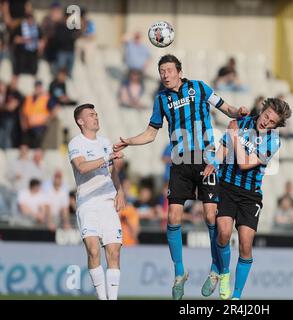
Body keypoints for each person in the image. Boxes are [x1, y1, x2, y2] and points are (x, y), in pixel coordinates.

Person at [113, 54, 249, 300]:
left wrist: (237, 111)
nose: (164, 74)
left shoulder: (198, 87)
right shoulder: (161, 99)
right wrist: (129, 141)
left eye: (168, 70)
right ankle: (179, 272)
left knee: (211, 215)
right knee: (172, 216)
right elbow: (151, 133)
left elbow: (225, 107)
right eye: (161, 71)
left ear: (179, 70)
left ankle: (216, 268)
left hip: (206, 159)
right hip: (179, 161)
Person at [203, 97, 292, 300]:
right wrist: (213, 164)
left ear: (276, 126)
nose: (266, 122)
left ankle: (235, 297)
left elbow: (244, 164)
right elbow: (222, 151)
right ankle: (223, 273)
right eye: (266, 116)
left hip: (250, 196)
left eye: (272, 122)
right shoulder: (241, 123)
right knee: (223, 234)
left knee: (245, 243)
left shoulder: (273, 140)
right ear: (262, 110)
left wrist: (234, 136)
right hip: (226, 187)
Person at [68, 103, 125, 300]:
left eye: (96, 114)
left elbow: (112, 170)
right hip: (88, 202)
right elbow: (82, 167)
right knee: (93, 251)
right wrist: (107, 156)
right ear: (80, 121)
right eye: (91, 115)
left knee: (114, 251)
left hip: (107, 201)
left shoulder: (105, 142)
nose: (96, 117)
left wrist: (120, 191)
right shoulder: (76, 143)